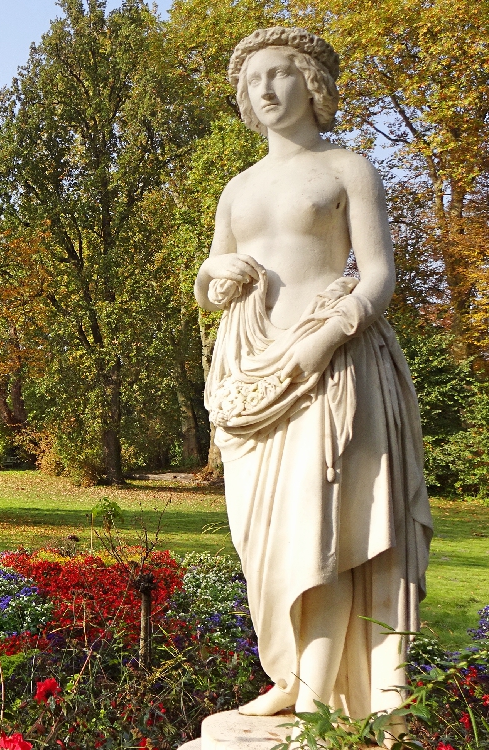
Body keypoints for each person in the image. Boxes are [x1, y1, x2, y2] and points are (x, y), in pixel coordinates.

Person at [193, 26, 433, 723]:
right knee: (262, 542)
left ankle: (320, 702)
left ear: (312, 83)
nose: (265, 89)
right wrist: (214, 274)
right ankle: (290, 674)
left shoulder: (347, 168)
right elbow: (211, 282)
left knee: (318, 533)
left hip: (331, 367)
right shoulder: (237, 188)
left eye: (280, 74)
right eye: (253, 80)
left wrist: (328, 337)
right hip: (249, 378)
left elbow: (379, 274)